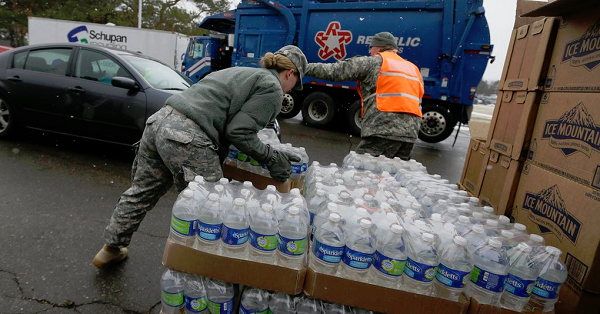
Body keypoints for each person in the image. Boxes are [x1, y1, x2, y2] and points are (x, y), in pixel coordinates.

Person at [92, 45, 308, 269]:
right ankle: (200, 270)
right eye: (294, 84)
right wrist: (271, 158)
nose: (290, 91)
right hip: (188, 136)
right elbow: (239, 132)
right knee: (210, 207)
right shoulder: (272, 87)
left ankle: (110, 248)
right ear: (290, 73)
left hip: (159, 122)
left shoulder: (241, 72)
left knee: (142, 192)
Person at [306, 31, 424, 160]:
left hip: (384, 129)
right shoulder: (413, 68)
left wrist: (304, 67)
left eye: (371, 47)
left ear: (378, 47)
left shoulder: (374, 62)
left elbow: (335, 71)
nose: (370, 51)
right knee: (392, 175)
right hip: (410, 133)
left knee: (360, 170)